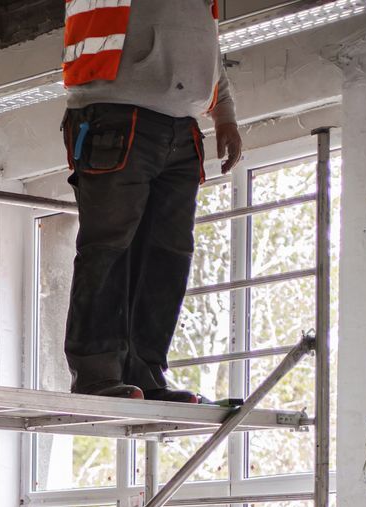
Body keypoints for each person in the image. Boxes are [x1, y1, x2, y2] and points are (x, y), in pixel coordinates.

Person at [60, 0, 243, 399]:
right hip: (117, 110)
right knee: (109, 247)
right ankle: (95, 373)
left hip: (182, 126)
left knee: (168, 256)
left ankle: (145, 372)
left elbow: (206, 45)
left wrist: (224, 114)